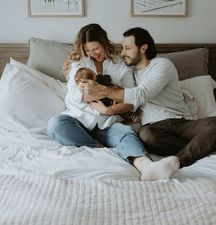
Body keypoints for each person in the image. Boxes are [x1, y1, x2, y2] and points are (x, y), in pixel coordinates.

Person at [79, 26, 216, 168]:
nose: (123, 53)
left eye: (128, 48)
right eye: (123, 47)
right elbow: (124, 97)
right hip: (154, 129)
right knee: (146, 135)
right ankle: (202, 147)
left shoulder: (162, 65)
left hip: (180, 123)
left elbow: (141, 94)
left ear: (143, 48)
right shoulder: (129, 73)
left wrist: (102, 90)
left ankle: (180, 161)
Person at [47, 23, 180, 181]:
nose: (92, 54)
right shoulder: (79, 64)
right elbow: (80, 96)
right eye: (87, 50)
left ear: (104, 43)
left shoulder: (122, 66)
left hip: (108, 122)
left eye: (96, 49)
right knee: (56, 124)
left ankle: (147, 166)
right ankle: (99, 147)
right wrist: (114, 92)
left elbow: (130, 102)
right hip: (78, 119)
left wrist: (108, 108)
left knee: (127, 134)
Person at [75, 66, 140, 122]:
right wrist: (101, 75)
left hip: (107, 103)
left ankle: (129, 116)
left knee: (118, 107)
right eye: (92, 71)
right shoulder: (99, 78)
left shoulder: (87, 91)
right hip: (112, 98)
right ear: (94, 77)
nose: (94, 71)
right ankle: (130, 116)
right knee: (119, 106)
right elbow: (108, 79)